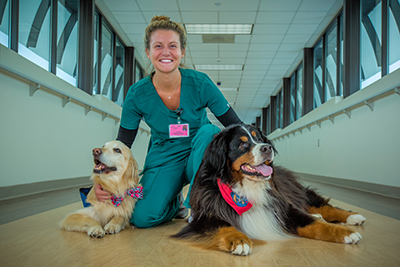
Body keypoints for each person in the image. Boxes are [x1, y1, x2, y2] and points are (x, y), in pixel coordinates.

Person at [94, 15, 242, 228]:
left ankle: (199, 206)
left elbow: (235, 126)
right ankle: (175, 204)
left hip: (200, 153)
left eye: (173, 46)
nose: (165, 52)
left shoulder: (201, 83)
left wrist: (256, 161)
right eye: (158, 46)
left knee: (210, 131)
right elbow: (122, 143)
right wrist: (104, 181)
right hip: (164, 157)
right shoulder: (137, 94)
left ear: (182, 52)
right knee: (141, 218)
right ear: (148, 52)